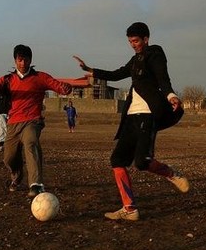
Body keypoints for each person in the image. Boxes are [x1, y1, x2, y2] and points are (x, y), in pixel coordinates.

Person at [73, 22, 189, 222]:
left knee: (142, 162)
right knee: (117, 160)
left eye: (135, 41)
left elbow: (163, 78)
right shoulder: (135, 60)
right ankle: (129, 208)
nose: (133, 45)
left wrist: (171, 95)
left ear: (146, 38)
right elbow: (117, 74)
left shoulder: (155, 54)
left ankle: (170, 173)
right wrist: (90, 70)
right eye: (129, 42)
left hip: (147, 114)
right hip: (131, 117)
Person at [0, 45, 73, 198]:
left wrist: (65, 88)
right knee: (9, 158)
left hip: (32, 121)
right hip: (13, 123)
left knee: (31, 143)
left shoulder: (40, 77)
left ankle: (36, 184)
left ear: (31, 60)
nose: (23, 63)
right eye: (20, 60)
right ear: (15, 60)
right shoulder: (8, 80)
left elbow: (58, 86)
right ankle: (17, 175)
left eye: (26, 60)